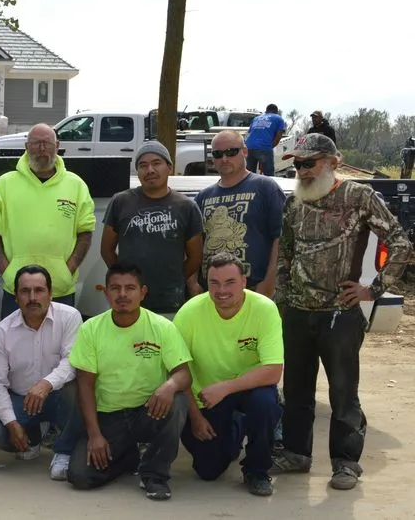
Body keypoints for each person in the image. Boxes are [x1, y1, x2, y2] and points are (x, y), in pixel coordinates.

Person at [272, 133, 413, 490]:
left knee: (343, 393)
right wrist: (283, 298)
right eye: (297, 164)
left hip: (341, 313)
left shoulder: (359, 197)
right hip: (298, 313)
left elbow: (400, 243)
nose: (301, 170)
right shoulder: (294, 203)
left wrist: (373, 290)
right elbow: (286, 253)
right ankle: (296, 454)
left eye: (309, 162)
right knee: (297, 390)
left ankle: (346, 463)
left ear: (333, 162)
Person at [67, 264, 192, 501]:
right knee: (80, 476)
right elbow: (84, 385)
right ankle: (128, 457)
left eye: (130, 288)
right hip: (109, 417)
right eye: (115, 288)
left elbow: (184, 374)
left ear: (143, 292)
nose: (122, 294)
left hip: (149, 411)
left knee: (178, 400)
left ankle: (155, 475)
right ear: (106, 293)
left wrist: (169, 385)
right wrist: (95, 434)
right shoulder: (91, 329)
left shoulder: (162, 327)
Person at [174, 253, 283, 496]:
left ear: (244, 281)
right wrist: (195, 417)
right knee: (208, 471)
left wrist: (225, 388)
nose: (222, 290)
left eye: (230, 282)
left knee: (265, 402)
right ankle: (237, 426)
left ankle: (257, 470)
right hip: (205, 396)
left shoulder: (264, 309)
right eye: (214, 283)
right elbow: (178, 370)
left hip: (246, 388)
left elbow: (273, 370)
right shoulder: (189, 313)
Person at [0, 123, 96, 318]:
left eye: (47, 143)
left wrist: (66, 271)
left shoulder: (76, 185)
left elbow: (85, 232)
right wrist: (7, 271)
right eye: (36, 144)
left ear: (57, 145)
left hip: (60, 289)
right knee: (14, 346)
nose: (42, 149)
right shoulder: (5, 184)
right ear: (26, 147)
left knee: (61, 348)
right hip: (17, 290)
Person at [0, 265, 82, 481]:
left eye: (39, 290)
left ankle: (63, 451)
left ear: (51, 293)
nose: (32, 297)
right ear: (16, 296)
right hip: (23, 400)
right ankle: (34, 436)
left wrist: (46, 384)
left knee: (76, 387)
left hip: (59, 396)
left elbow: (72, 361)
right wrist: (12, 424)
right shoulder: (2, 331)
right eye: (25, 291)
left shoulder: (69, 317)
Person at [100, 141, 203, 316]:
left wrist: (175, 279)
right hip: (129, 301)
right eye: (143, 165)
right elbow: (106, 250)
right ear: (138, 172)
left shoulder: (186, 206)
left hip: (170, 301)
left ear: (169, 167)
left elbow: (196, 256)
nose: (150, 170)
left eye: (156, 163)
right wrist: (125, 279)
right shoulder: (120, 202)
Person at [192, 130, 286, 297]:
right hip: (212, 293)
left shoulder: (266, 187)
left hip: (254, 291)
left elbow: (280, 239)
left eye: (231, 152)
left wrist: (269, 284)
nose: (225, 158)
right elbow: (192, 244)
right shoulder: (202, 197)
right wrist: (192, 283)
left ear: (244, 151)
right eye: (218, 154)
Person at [244, 104, 286, 176]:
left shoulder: (256, 118)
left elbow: (250, 132)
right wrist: (269, 147)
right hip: (264, 147)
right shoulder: (278, 118)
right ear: (276, 111)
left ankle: (248, 186)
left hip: (249, 146)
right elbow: (278, 136)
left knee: (249, 173)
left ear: (266, 110)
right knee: (269, 174)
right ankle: (268, 187)